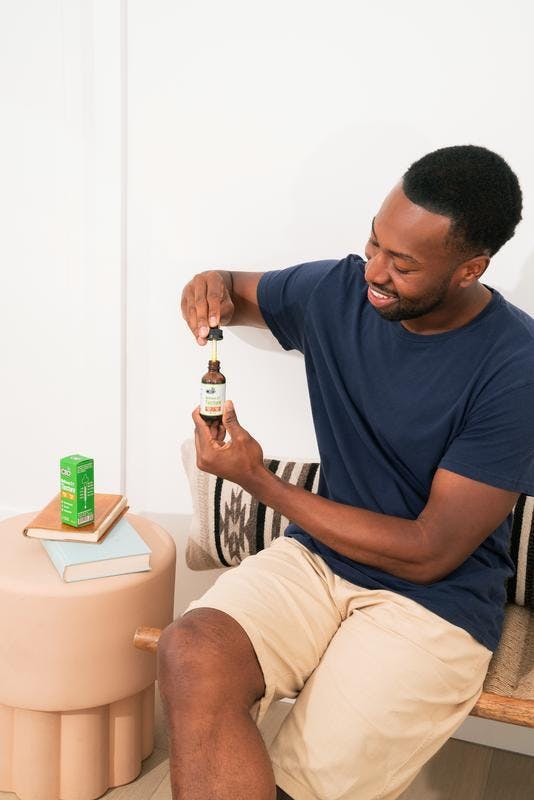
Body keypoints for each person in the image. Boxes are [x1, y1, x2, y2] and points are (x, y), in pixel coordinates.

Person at [159, 144, 534, 800]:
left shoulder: (515, 367)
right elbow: (236, 290)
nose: (376, 273)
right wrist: (209, 283)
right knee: (193, 651)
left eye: (403, 265)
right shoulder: (337, 291)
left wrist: (260, 481)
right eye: (374, 243)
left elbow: (430, 551)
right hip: (318, 559)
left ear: (470, 270)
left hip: (434, 603)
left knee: (300, 784)